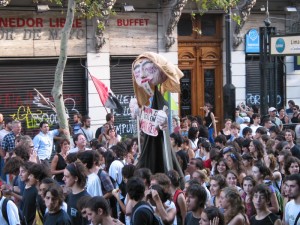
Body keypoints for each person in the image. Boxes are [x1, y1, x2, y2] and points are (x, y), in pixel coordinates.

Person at [62, 161, 90, 225]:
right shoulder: (70, 195)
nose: (63, 179)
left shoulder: (86, 200)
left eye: (67, 176)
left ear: (76, 178)